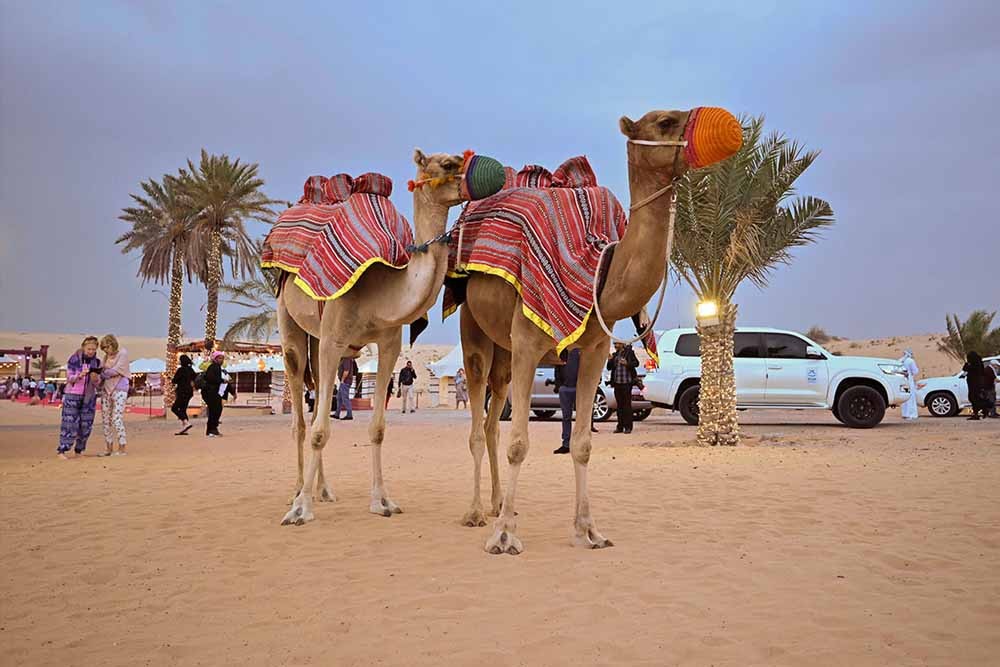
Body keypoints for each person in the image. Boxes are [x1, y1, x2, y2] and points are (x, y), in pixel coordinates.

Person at [57, 336, 102, 458]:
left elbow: (99, 382)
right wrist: (79, 375)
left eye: (93, 349)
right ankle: (62, 450)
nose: (91, 351)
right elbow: (69, 377)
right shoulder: (74, 360)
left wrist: (96, 379)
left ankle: (79, 450)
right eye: (89, 349)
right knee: (69, 423)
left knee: (86, 424)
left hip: (89, 396)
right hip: (73, 395)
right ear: (83, 347)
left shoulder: (97, 362)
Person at [98, 334, 130, 456]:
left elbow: (117, 370)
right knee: (106, 419)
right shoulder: (105, 357)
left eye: (107, 347)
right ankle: (108, 447)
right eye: (104, 348)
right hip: (106, 390)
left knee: (117, 418)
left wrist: (104, 373)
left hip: (120, 389)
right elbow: (102, 371)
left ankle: (122, 447)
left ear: (112, 344)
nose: (106, 350)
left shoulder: (123, 353)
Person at [607, 342, 639, 434]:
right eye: (614, 344)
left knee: (627, 406)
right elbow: (609, 368)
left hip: (626, 383)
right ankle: (620, 426)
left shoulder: (629, 353)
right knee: (619, 406)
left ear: (622, 344)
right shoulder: (615, 355)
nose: (615, 346)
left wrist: (627, 363)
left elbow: (636, 363)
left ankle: (628, 427)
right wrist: (610, 360)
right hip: (617, 383)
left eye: (617, 344)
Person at [201, 350, 227, 437]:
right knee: (215, 410)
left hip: (212, 392)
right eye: (219, 358)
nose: (221, 360)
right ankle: (212, 429)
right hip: (210, 392)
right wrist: (222, 380)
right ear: (215, 359)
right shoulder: (214, 367)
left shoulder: (216, 367)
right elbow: (212, 379)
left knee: (214, 410)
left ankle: (210, 430)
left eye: (222, 358)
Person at [171, 354, 196, 434]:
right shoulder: (190, 369)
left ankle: (186, 422)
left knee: (174, 408)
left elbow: (174, 380)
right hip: (189, 392)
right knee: (183, 409)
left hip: (182, 391)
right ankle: (185, 428)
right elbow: (195, 377)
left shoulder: (181, 370)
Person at [963, 351, 989, 421]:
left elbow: (965, 368)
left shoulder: (973, 364)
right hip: (978, 384)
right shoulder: (980, 363)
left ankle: (981, 411)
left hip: (973, 384)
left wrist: (966, 363)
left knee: (974, 399)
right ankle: (980, 412)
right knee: (976, 398)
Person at [899, 349, 920, 421]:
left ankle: (905, 414)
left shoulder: (900, 360)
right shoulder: (911, 361)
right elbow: (915, 371)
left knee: (904, 396)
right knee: (911, 397)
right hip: (909, 380)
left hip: (901, 380)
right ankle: (912, 414)